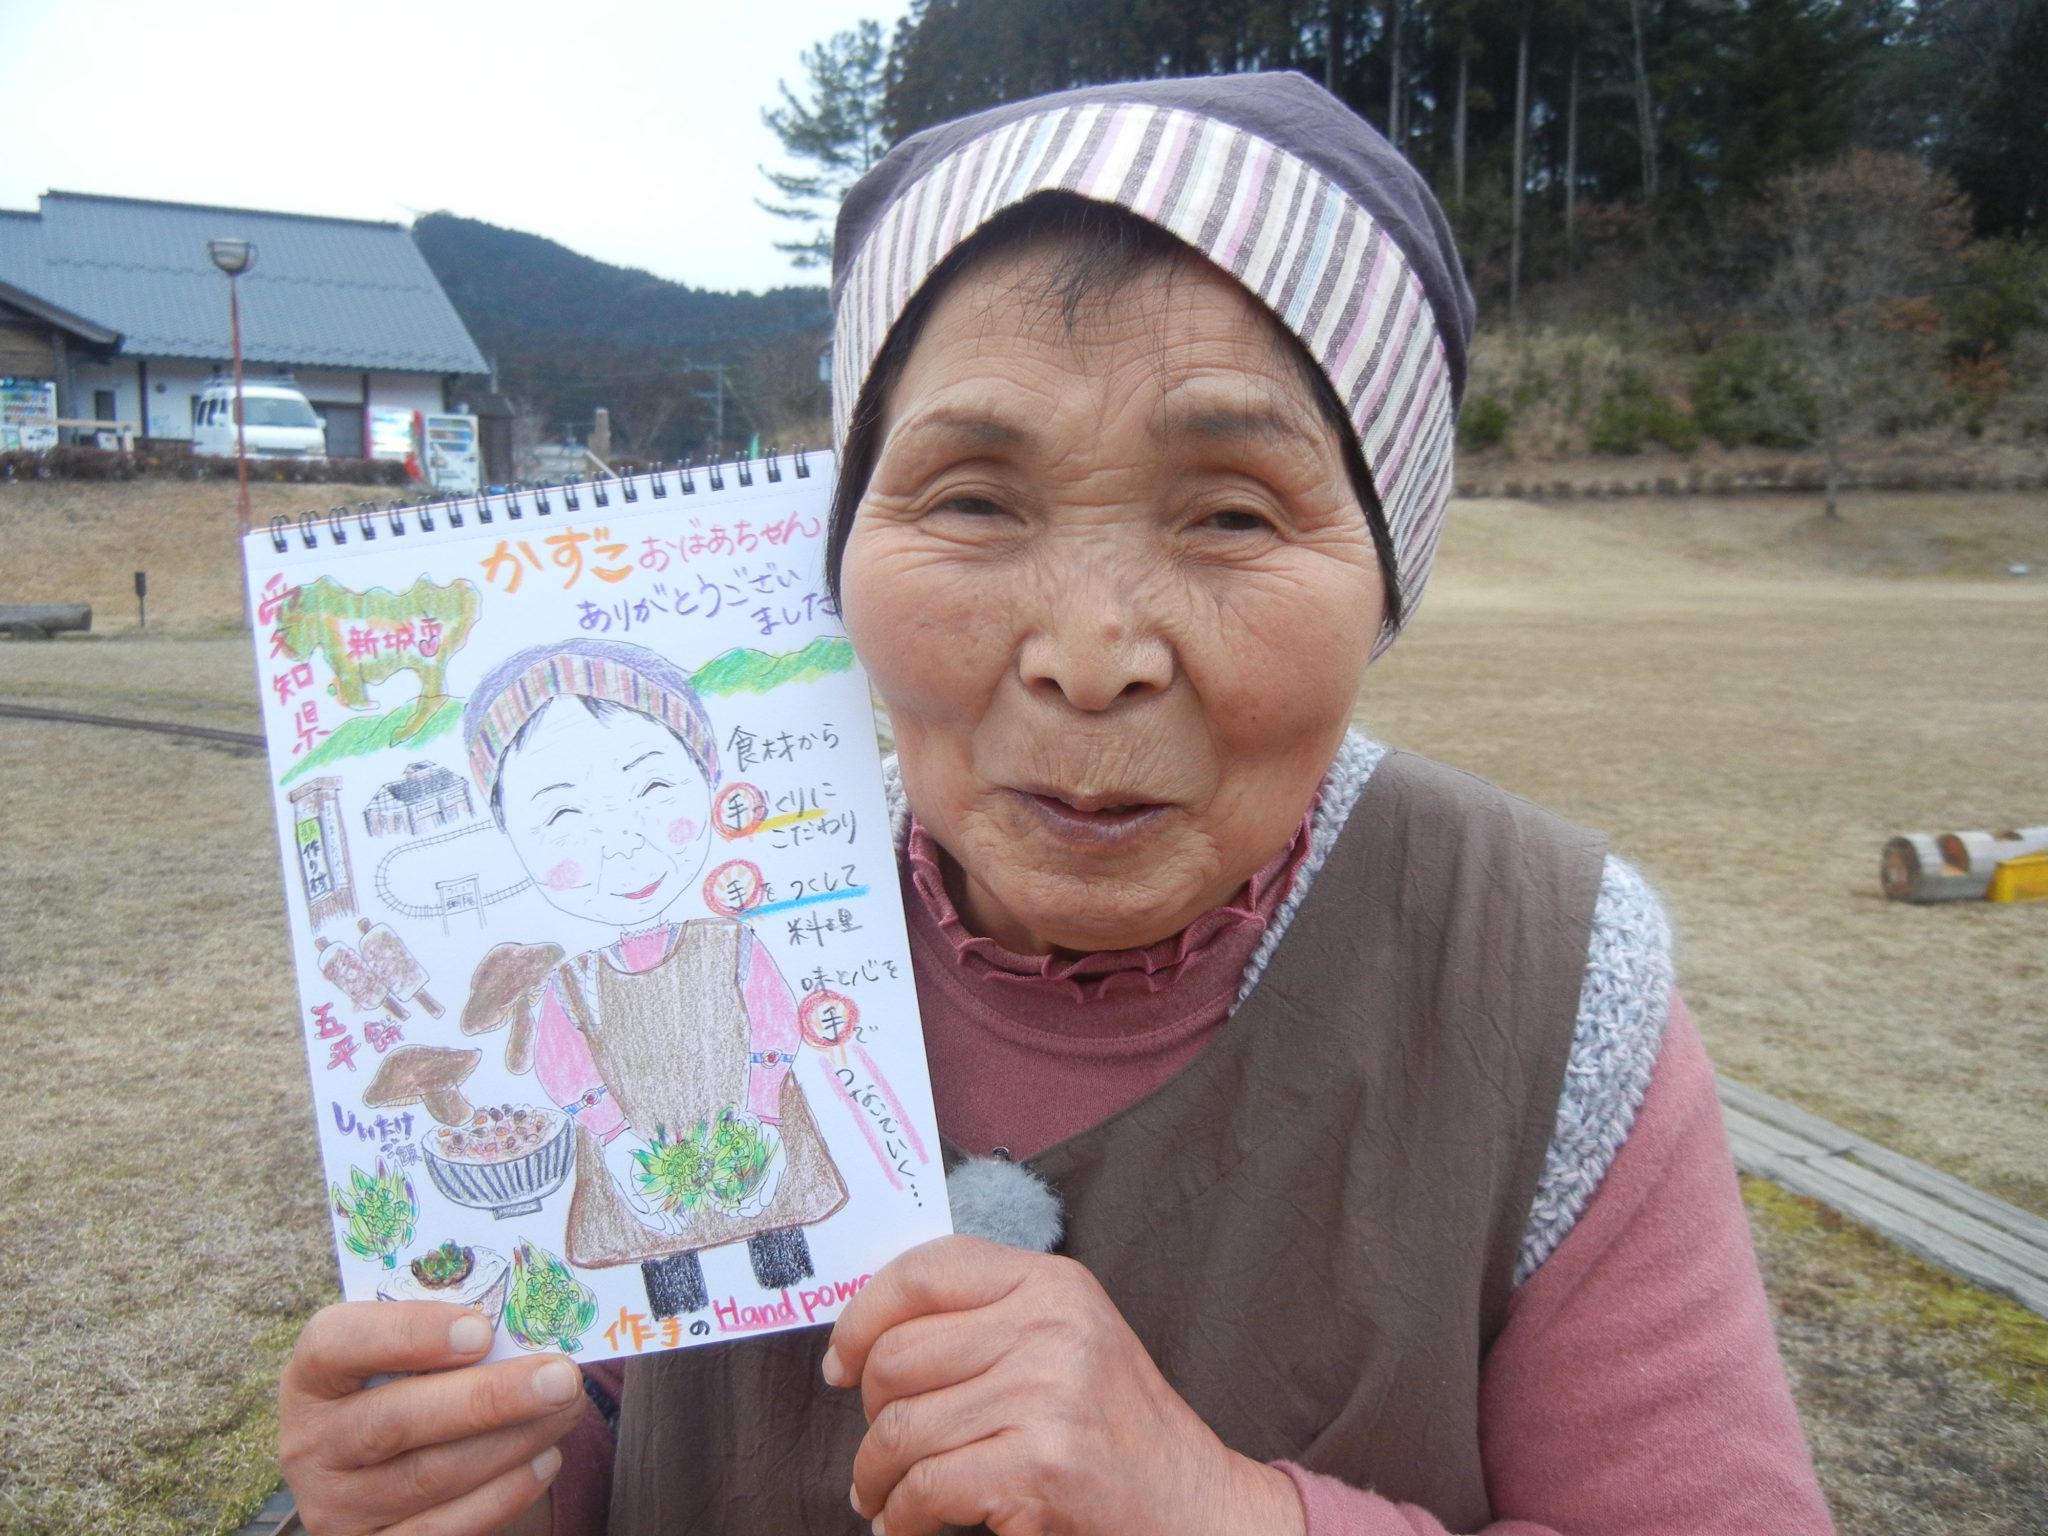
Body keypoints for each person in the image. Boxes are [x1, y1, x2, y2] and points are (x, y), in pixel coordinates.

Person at [277, 73, 1836, 1536]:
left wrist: (1223, 1507)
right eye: (971, 501)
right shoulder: (697, 901)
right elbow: (611, 1419)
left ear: (1386, 572)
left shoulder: (1540, 974)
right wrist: (478, 1477)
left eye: (1231, 513)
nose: (1091, 657)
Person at [455, 638, 849, 1309]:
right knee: (666, 1278)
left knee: (786, 1247)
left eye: (653, 786)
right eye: (561, 815)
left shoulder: (731, 944)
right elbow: (568, 1070)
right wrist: (613, 1141)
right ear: (509, 836)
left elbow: (775, 1025)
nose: (622, 838)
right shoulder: (571, 984)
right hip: (638, 1156)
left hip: (756, 1130)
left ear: (707, 777)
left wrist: (762, 1113)